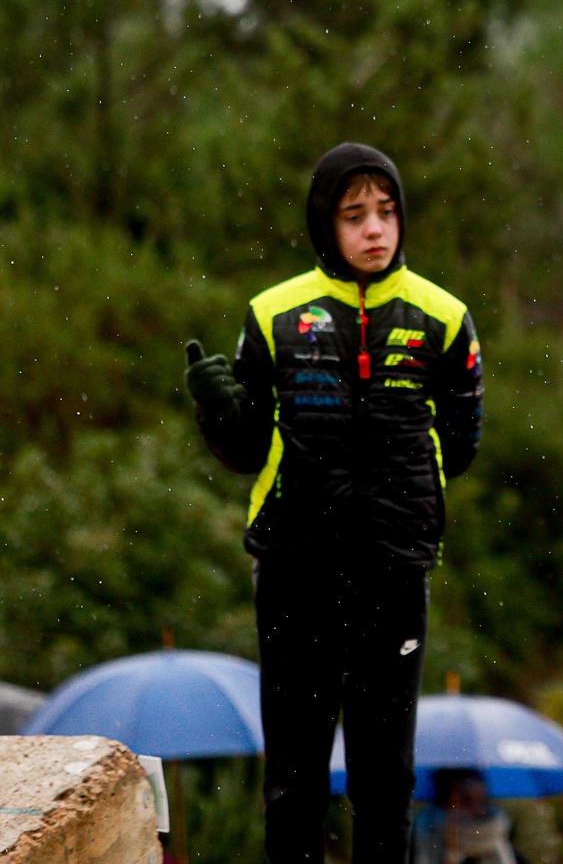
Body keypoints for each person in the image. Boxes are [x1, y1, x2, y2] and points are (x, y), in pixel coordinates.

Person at [183, 143, 484, 863]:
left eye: (386, 212)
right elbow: (247, 450)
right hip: (294, 564)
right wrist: (219, 415)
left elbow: (463, 443)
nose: (375, 228)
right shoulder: (272, 312)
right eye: (355, 215)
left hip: (394, 565)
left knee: (386, 778)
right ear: (326, 224)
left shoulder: (445, 316)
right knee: (294, 776)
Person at [410, 770, 518, 864]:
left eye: (483, 801)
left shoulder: (504, 841)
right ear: (446, 803)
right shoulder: (415, 842)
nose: (479, 811)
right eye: (466, 801)